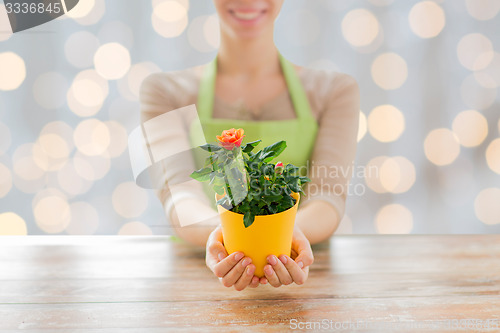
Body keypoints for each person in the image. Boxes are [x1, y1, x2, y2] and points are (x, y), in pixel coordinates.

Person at [140, 0, 360, 291]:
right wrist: (232, 238)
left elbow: (328, 197)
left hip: (305, 276)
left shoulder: (335, 90)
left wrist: (280, 237)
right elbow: (178, 196)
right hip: (196, 281)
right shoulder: (163, 91)